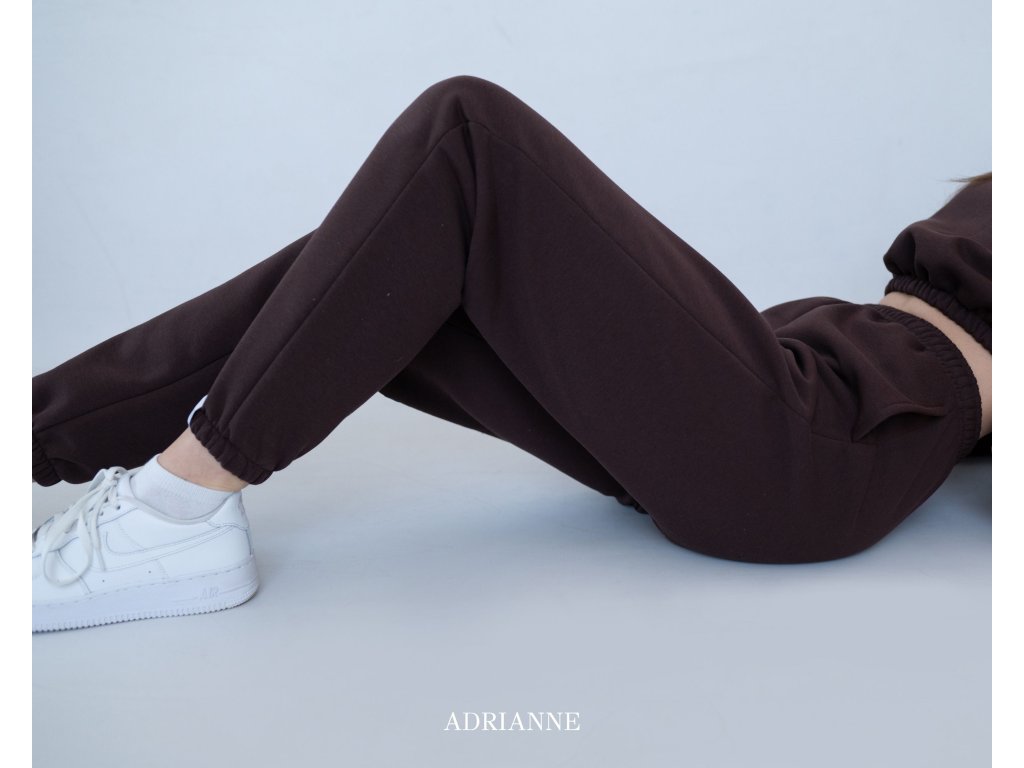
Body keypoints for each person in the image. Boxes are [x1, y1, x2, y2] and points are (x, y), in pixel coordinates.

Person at [31, 75, 992, 633]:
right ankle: (36, 434)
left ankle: (175, 510)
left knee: (469, 133)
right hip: (790, 378)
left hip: (814, 446)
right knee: (386, 262)